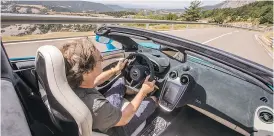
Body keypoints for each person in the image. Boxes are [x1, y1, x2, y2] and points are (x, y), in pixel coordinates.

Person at [59, 38, 157, 135]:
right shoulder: (97, 105)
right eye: (99, 59)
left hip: (101, 117)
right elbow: (124, 118)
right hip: (116, 129)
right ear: (87, 71)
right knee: (152, 100)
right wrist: (143, 92)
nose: (102, 60)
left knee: (120, 83)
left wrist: (115, 69)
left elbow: (95, 81)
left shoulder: (71, 82)